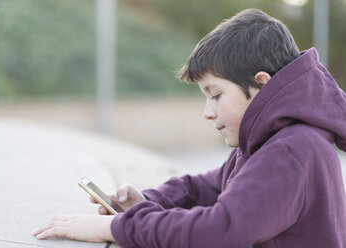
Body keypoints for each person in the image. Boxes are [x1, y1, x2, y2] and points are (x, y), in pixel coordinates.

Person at [33, 8, 346, 247]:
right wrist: (148, 201)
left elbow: (221, 229)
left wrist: (110, 229)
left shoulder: (291, 150)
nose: (207, 112)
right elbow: (207, 188)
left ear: (260, 84)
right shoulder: (272, 141)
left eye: (216, 95)